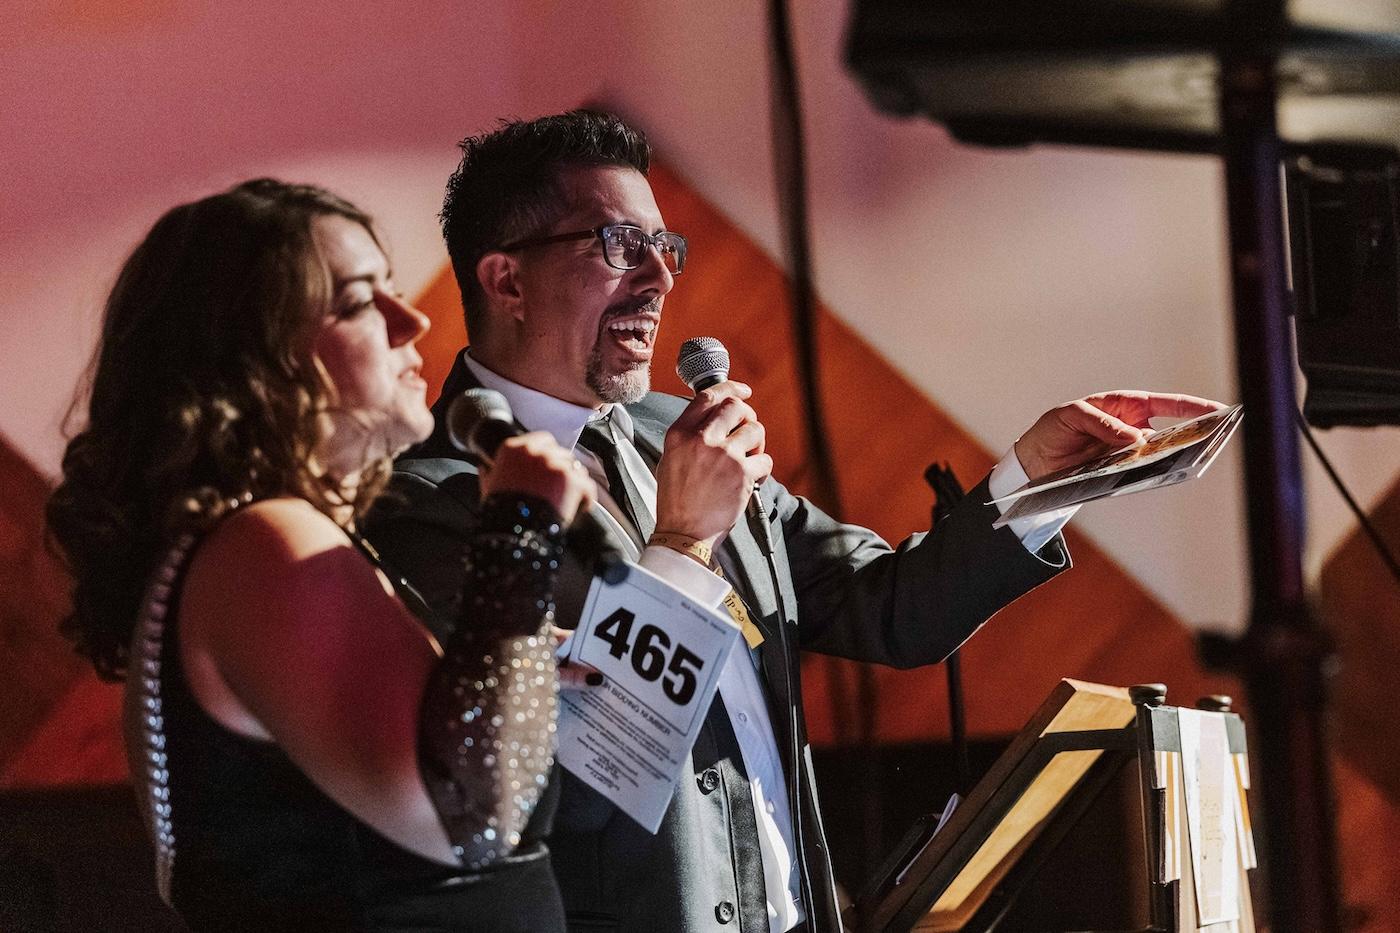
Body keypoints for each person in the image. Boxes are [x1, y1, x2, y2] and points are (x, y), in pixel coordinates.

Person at [365, 111, 1224, 933]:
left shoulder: (679, 430)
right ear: (507, 279)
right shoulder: (428, 506)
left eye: (666, 247)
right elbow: (556, 779)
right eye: (621, 244)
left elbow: (891, 608)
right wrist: (682, 544)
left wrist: (1040, 479)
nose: (661, 278)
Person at [46, 179, 597, 932]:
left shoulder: (259, 541)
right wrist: (522, 530)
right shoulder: (264, 541)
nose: (412, 320)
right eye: (363, 300)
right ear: (254, 355)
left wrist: (514, 659)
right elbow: (467, 816)